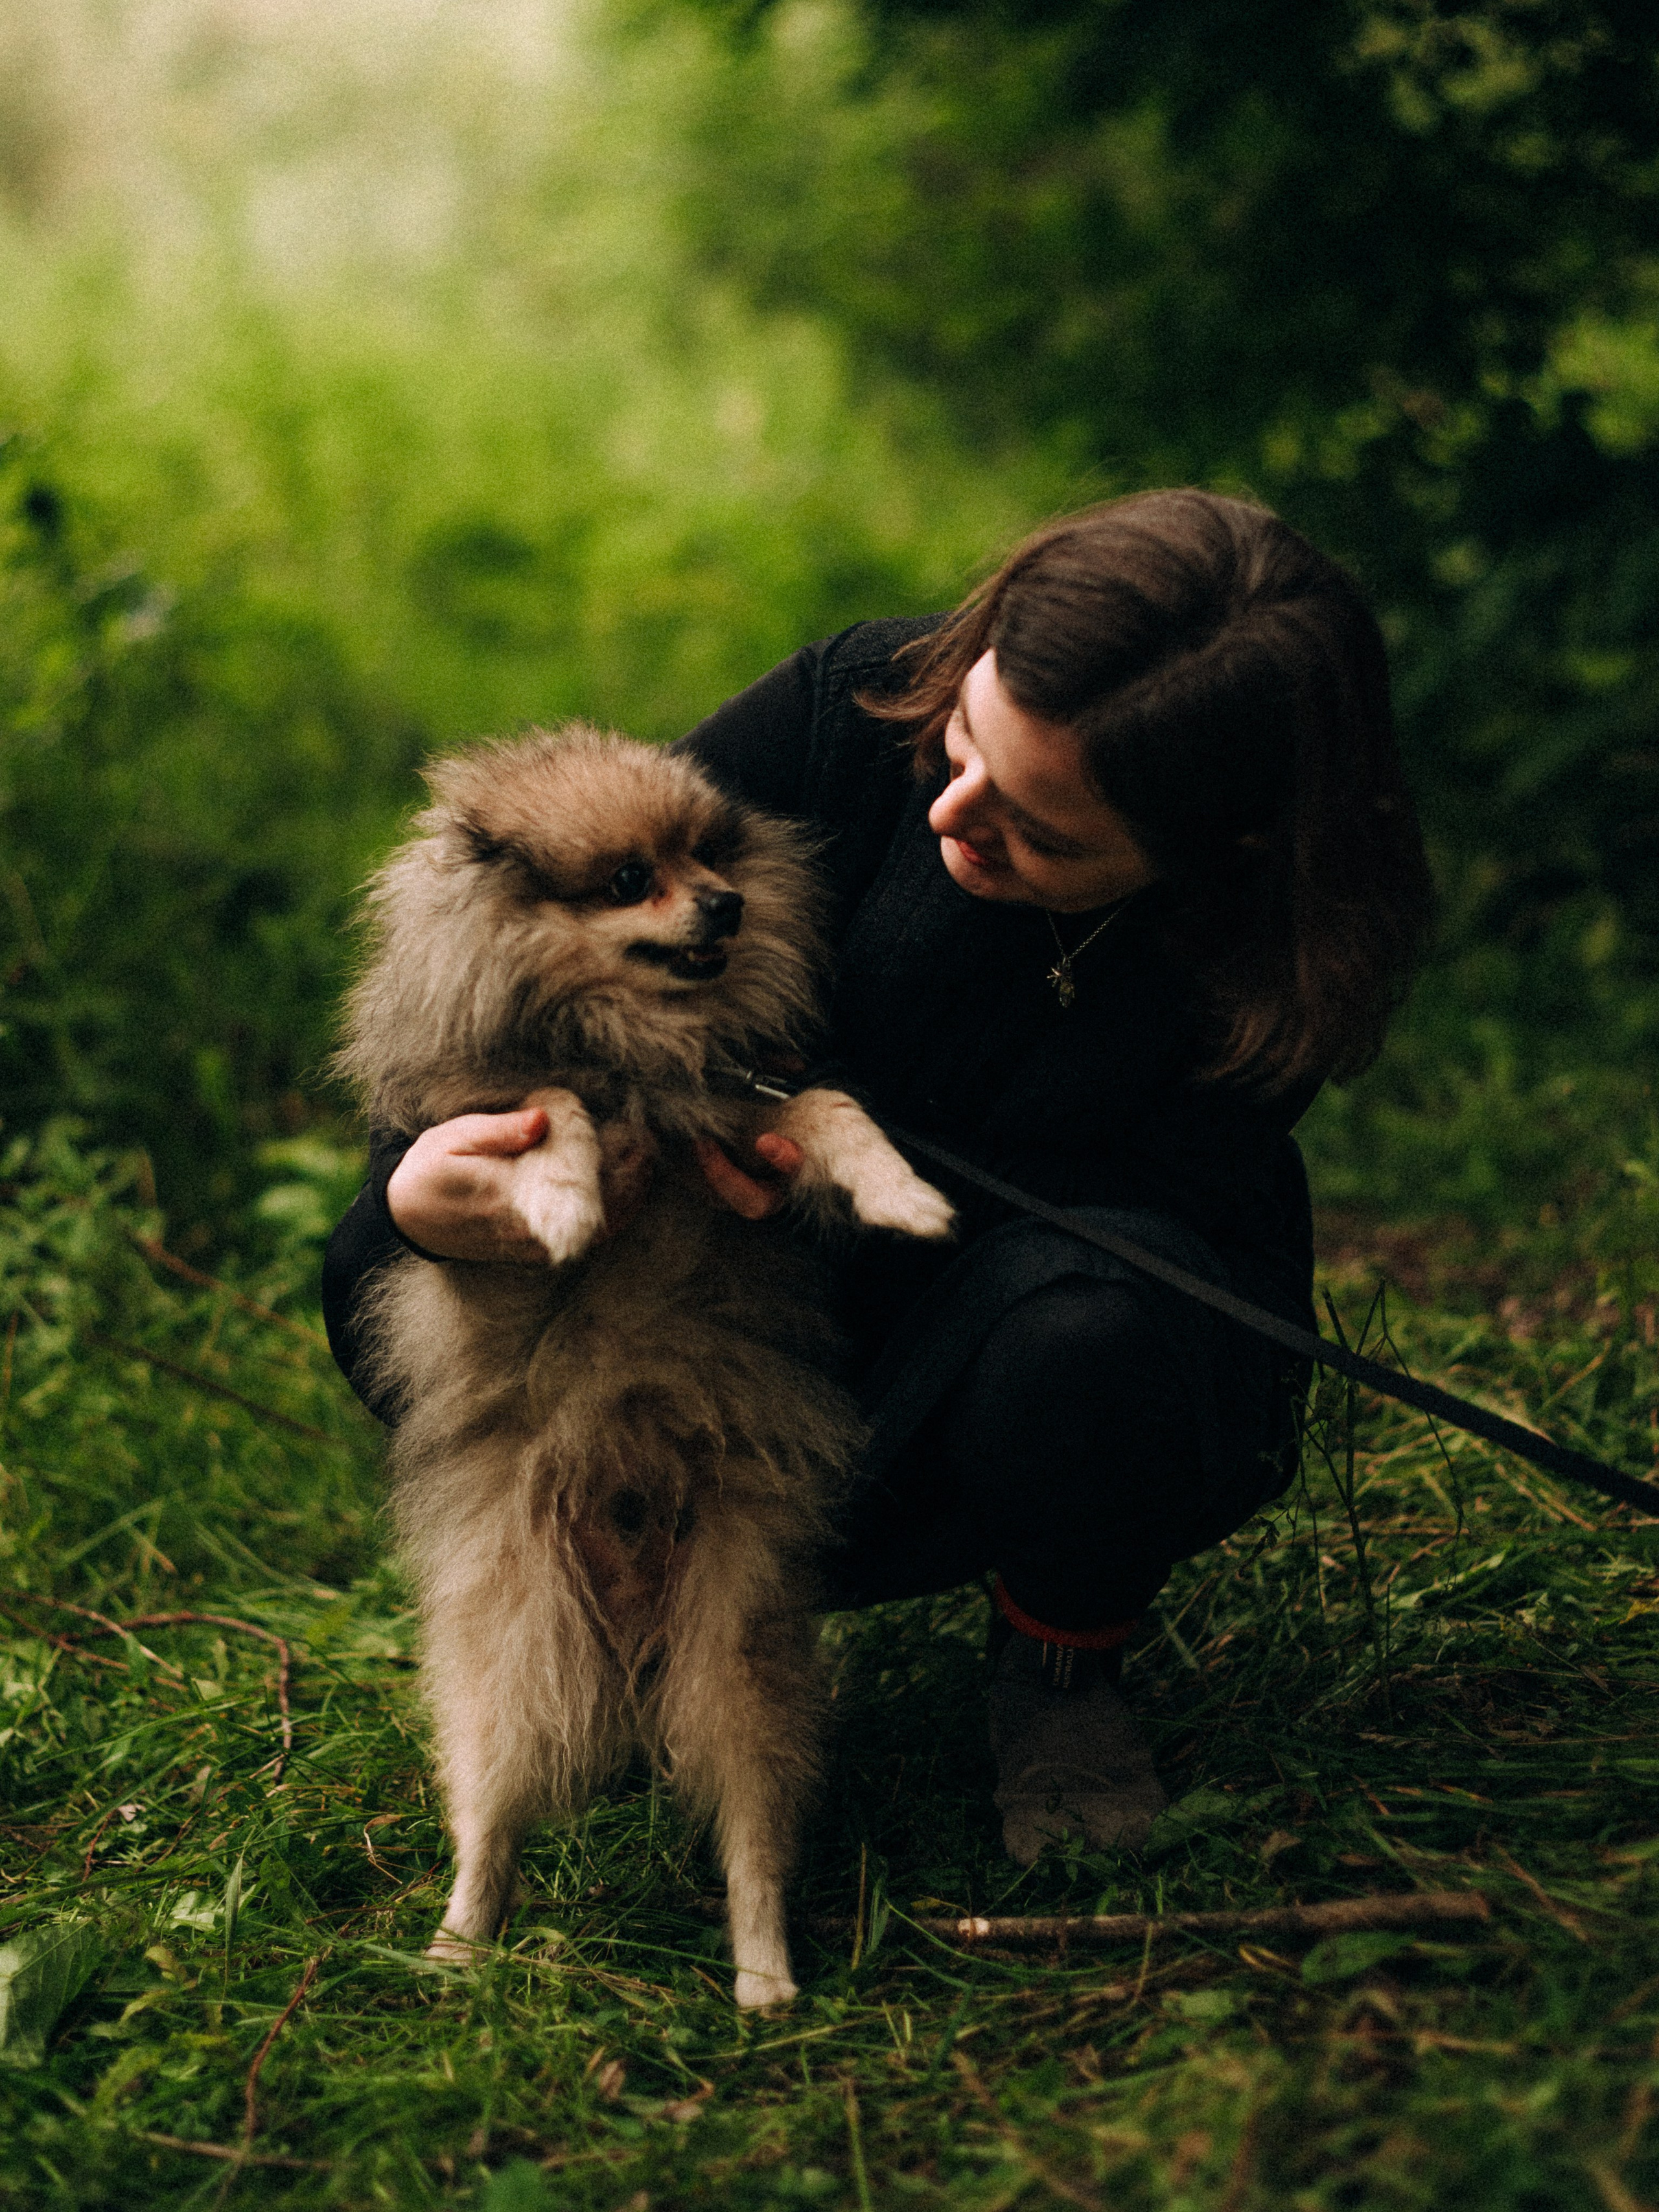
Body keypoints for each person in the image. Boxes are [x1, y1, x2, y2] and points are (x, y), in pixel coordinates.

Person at [323, 490, 1433, 1865]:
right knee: (386, 1269)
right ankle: (626, 1624)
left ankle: (1061, 1660)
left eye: (1044, 830)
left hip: (1006, 1344)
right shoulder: (850, 707)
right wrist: (422, 1200)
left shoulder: (1251, 962)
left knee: (1085, 1339)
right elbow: (503, 968)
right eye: (966, 741)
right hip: (690, 1309)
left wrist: (824, 1160)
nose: (954, 809)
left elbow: (1144, 1238)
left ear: (1217, 855)